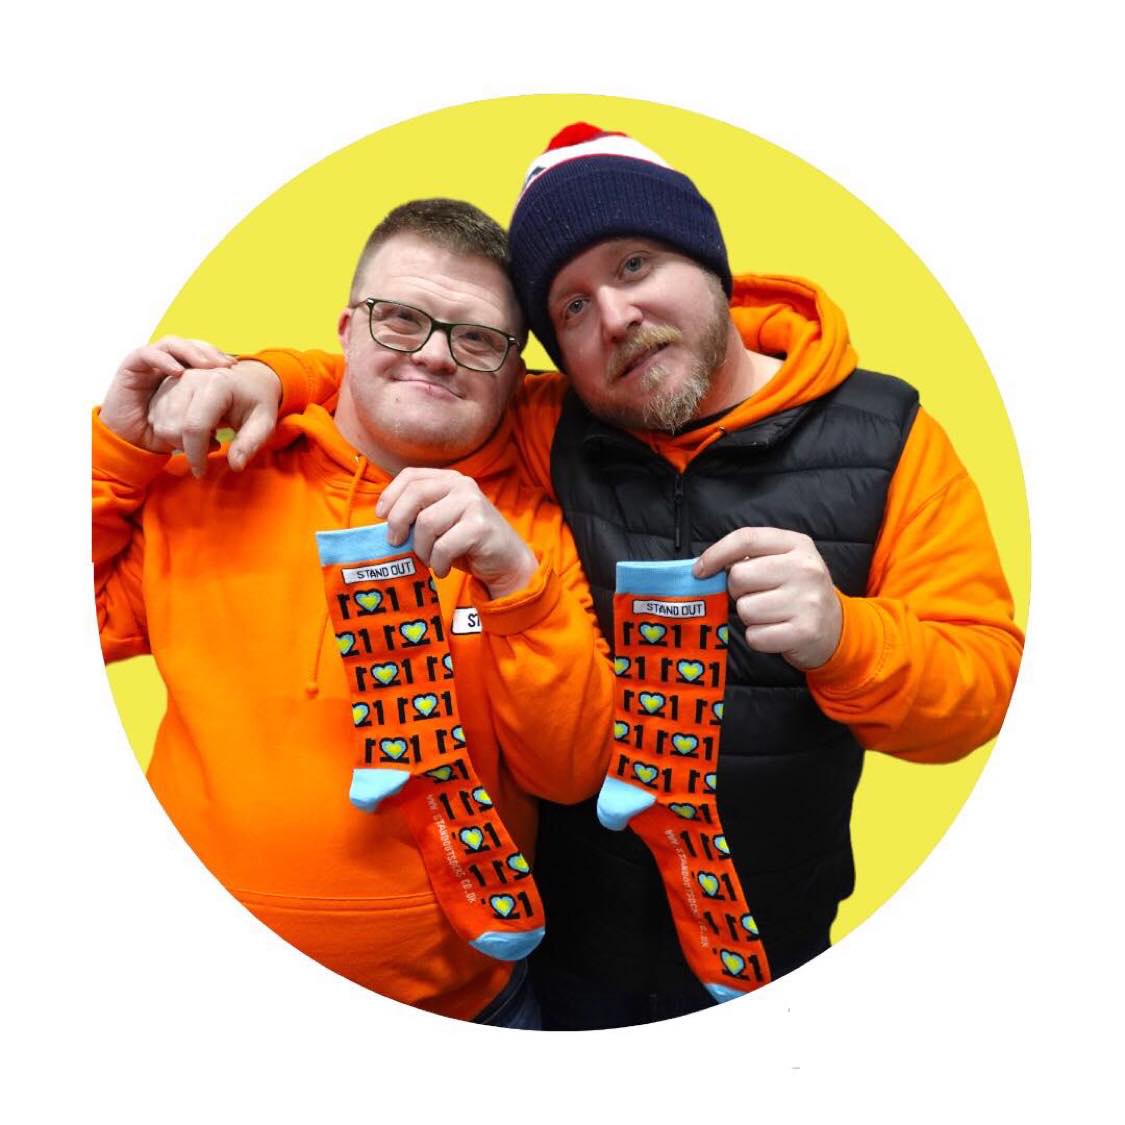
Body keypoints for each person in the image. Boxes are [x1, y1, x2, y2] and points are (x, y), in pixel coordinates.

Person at [161, 124, 1024, 1029]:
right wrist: (266, 373)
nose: (611, 318)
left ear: (712, 264)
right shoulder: (545, 420)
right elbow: (404, 376)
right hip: (550, 948)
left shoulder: (888, 437)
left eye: (636, 265)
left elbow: (982, 690)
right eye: (569, 307)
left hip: (775, 949)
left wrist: (847, 638)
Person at [92, 198, 615, 1027]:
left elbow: (573, 772)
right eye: (401, 318)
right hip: (182, 986)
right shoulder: (208, 472)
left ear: (516, 369)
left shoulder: (531, 526)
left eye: (476, 337)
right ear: (345, 329)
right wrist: (116, 452)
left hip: (459, 1009)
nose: (436, 355)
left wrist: (516, 583)